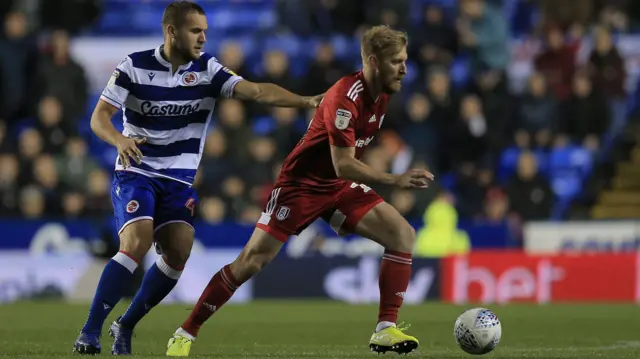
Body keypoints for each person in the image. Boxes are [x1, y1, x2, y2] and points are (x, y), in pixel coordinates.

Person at [166, 25, 433, 357]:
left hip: (336, 186)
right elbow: (344, 164)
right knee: (250, 262)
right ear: (374, 62)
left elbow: (341, 170)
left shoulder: (384, 92)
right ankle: (185, 332)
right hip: (301, 187)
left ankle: (384, 330)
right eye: (397, 62)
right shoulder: (344, 98)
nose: (405, 69)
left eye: (405, 60)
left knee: (402, 235)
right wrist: (395, 179)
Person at [72, 1, 322, 355]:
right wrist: (119, 139)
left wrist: (308, 101)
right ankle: (89, 331)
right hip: (137, 170)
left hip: (178, 180)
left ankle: (125, 325)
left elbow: (257, 91)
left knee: (179, 251)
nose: (204, 37)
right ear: (172, 31)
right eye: (195, 30)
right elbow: (100, 118)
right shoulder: (133, 65)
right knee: (136, 241)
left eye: (205, 30)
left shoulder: (208, 69)